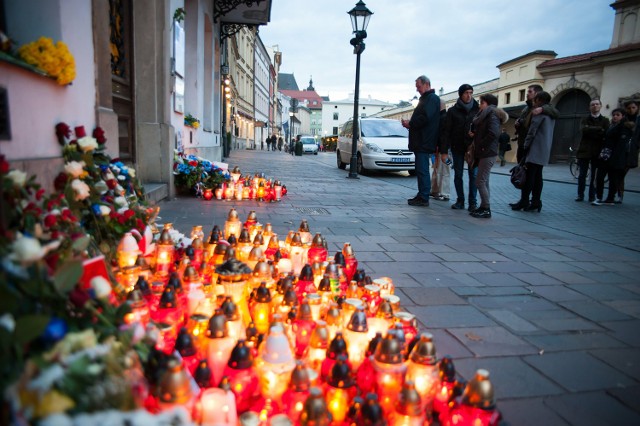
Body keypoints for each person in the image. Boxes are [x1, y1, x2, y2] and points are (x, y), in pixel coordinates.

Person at [511, 91, 558, 212]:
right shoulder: (550, 114)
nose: (532, 100)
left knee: (529, 176)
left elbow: (532, 131)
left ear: (538, 100)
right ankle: (536, 201)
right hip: (544, 148)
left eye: (533, 97)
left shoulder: (538, 112)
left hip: (534, 148)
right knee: (537, 176)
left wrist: (526, 145)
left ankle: (525, 201)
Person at [401, 75, 441, 207]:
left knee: (422, 169)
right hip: (422, 140)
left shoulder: (431, 99)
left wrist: (410, 124)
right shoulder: (427, 99)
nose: (417, 89)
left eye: (418, 86)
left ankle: (424, 196)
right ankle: (422, 194)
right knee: (420, 169)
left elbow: (425, 118)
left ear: (426, 84)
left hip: (424, 140)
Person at [467, 94, 508, 218]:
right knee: (484, 181)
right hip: (485, 151)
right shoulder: (487, 115)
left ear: (487, 104)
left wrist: (482, 145)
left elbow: (493, 133)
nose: (479, 106)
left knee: (480, 181)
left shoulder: (492, 115)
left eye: (481, 103)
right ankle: (484, 206)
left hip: (487, 152)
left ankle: (486, 208)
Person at [440, 83, 479, 211]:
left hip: (473, 148)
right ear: (461, 95)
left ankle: (472, 202)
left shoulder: (477, 110)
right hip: (457, 147)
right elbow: (446, 132)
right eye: (466, 93)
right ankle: (460, 200)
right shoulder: (452, 111)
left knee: (473, 175)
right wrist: (444, 151)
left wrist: (476, 133)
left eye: (470, 93)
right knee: (458, 174)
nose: (469, 96)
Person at [592, 108, 633, 206]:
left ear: (622, 116)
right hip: (605, 154)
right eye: (614, 114)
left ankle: (610, 198)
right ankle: (599, 197)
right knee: (600, 177)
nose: (615, 116)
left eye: (617, 115)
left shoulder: (624, 128)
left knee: (613, 178)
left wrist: (616, 158)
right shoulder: (611, 126)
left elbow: (621, 145)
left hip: (615, 156)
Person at [574, 99, 609, 202]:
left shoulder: (605, 120)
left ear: (600, 106)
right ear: (590, 107)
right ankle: (580, 195)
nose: (595, 106)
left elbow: (605, 133)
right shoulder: (584, 119)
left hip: (597, 151)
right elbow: (583, 130)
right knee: (582, 175)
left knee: (594, 176)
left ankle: (592, 196)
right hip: (584, 150)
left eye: (597, 104)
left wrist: (590, 129)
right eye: (592, 104)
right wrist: (598, 129)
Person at [619, 100, 640, 202]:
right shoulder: (622, 120)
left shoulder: (639, 121)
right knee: (620, 173)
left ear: (637, 108)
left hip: (632, 151)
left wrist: (636, 145)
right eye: (629, 108)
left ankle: (619, 193)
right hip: (621, 150)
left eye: (633, 107)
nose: (631, 110)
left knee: (622, 172)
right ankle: (620, 194)